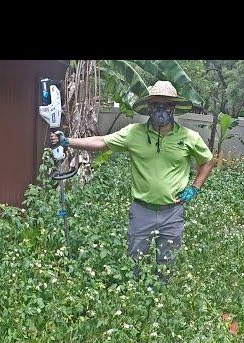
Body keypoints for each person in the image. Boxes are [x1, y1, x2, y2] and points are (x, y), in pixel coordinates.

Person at [50, 80, 214, 281]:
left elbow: (207, 162)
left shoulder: (190, 137)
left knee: (166, 265)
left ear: (173, 107)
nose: (161, 109)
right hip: (141, 210)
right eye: (156, 105)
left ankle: (159, 300)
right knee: (134, 262)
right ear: (149, 108)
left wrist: (194, 188)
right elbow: (102, 141)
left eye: (166, 104)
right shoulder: (133, 133)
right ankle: (134, 296)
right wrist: (68, 141)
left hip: (172, 212)